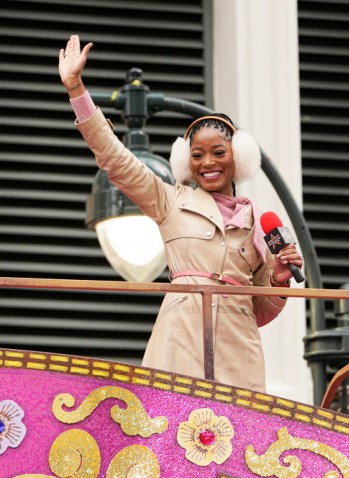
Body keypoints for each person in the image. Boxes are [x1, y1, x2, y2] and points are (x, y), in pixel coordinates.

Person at [58, 35, 303, 392]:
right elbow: (116, 159)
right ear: (185, 161)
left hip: (240, 357)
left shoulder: (259, 223)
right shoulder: (170, 200)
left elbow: (260, 311)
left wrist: (279, 282)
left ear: (239, 157)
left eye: (218, 152)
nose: (208, 163)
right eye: (198, 154)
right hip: (179, 349)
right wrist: (77, 89)